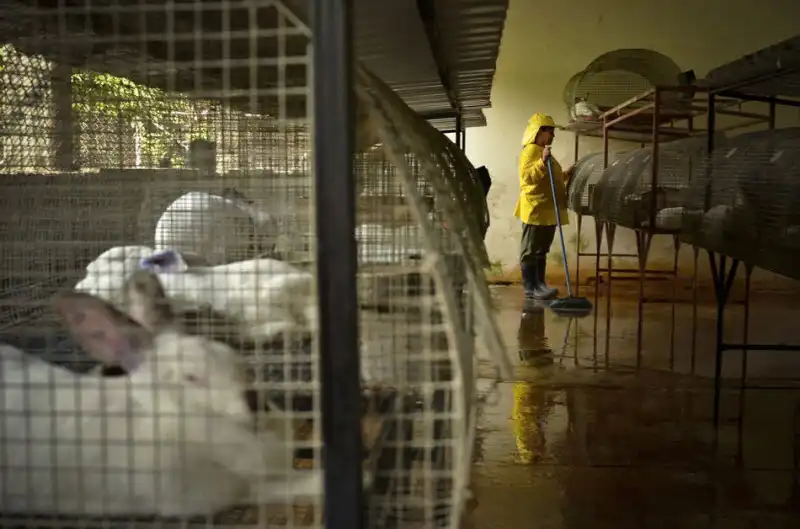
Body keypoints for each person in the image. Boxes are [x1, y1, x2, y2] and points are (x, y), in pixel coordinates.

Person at [513, 113, 573, 300]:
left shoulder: (544, 152)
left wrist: (566, 174)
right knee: (530, 251)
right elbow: (527, 178)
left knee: (541, 250)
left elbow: (550, 178)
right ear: (538, 131)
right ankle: (531, 288)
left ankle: (540, 285)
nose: (553, 135)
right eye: (550, 131)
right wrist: (541, 161)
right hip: (536, 209)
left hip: (548, 210)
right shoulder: (530, 151)